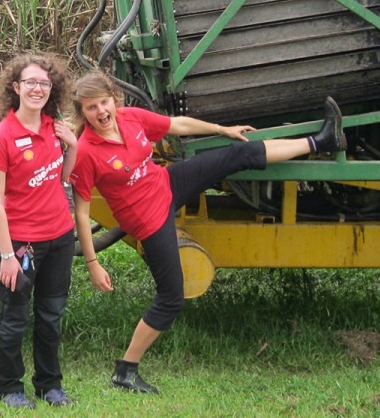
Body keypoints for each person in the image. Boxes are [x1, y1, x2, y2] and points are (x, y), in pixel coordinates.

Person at [68, 71, 347, 395]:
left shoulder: (130, 118)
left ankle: (322, 140)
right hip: (148, 219)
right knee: (171, 299)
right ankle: (126, 371)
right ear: (82, 112)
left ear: (114, 99)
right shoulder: (87, 151)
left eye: (104, 103)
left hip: (166, 185)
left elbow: (177, 125)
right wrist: (92, 264)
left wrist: (221, 129)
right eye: (91, 108)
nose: (101, 112)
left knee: (237, 154)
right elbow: (82, 211)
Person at [0, 53, 79, 409]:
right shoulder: (2, 136)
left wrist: (74, 144)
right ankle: (9, 388)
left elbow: (64, 178)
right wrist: (7, 256)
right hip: (22, 246)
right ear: (16, 87)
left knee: (51, 317)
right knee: (14, 318)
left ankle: (49, 385)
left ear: (51, 89)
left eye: (44, 83)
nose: (37, 88)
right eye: (30, 82)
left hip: (59, 239)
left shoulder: (53, 127)